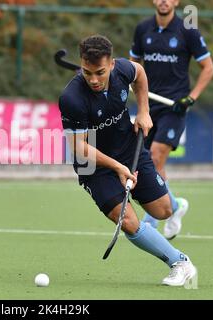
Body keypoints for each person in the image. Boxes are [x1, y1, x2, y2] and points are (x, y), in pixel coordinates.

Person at [58, 34, 196, 286]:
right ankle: (180, 263)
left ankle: (176, 205)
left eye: (100, 72)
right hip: (94, 165)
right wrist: (117, 167)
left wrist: (143, 110)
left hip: (128, 147)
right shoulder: (72, 99)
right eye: (87, 73)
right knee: (129, 222)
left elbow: (140, 73)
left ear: (111, 64)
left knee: (162, 211)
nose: (94, 80)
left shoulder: (123, 69)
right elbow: (79, 147)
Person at [129, 0, 213, 239]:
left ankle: (150, 223)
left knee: (156, 156)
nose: (164, 1)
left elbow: (208, 68)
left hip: (174, 108)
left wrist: (191, 98)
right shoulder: (142, 29)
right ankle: (175, 206)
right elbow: (133, 66)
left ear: (176, 1)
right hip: (148, 106)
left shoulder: (188, 30)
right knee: (146, 162)